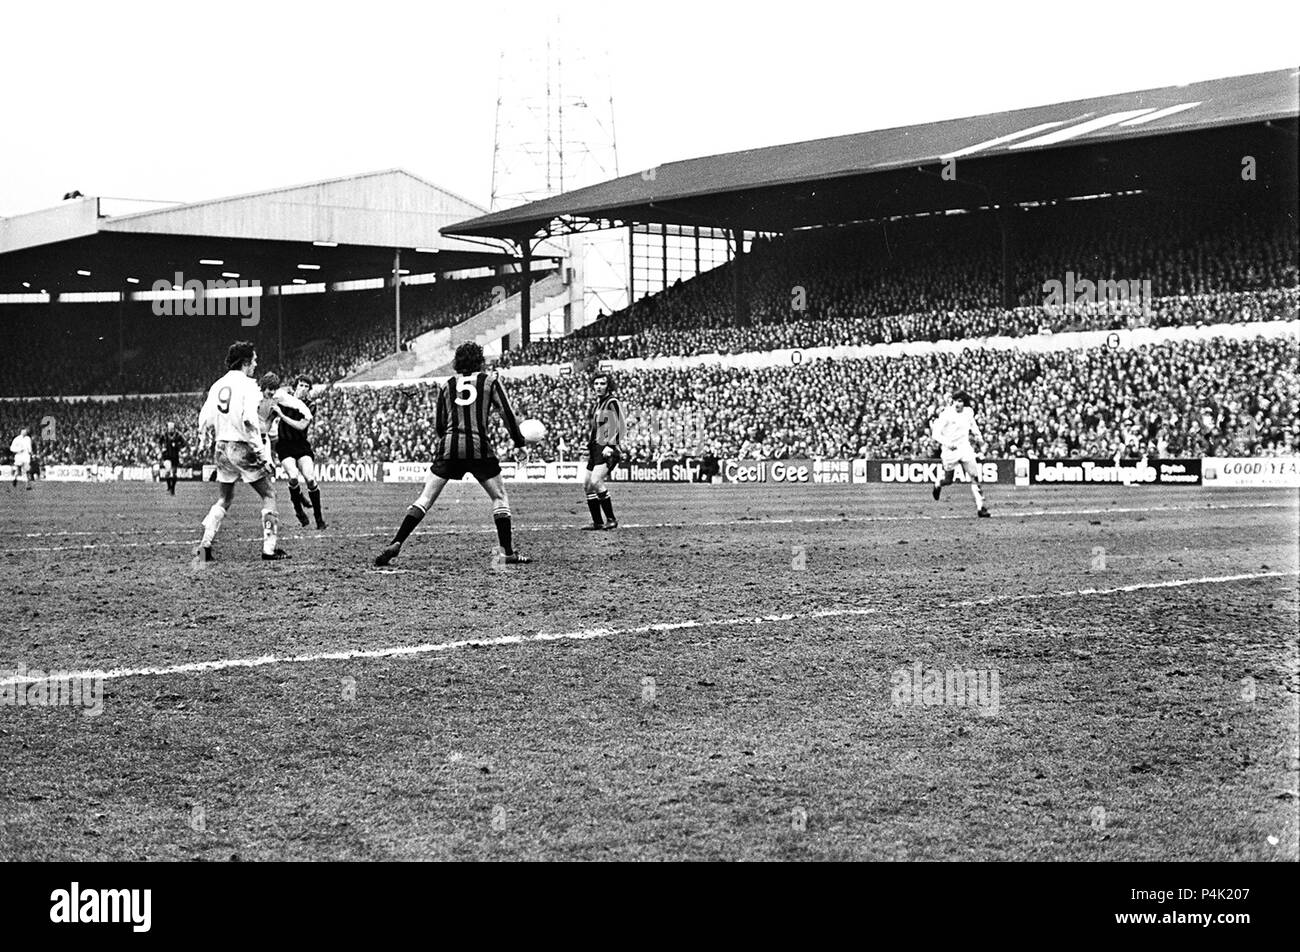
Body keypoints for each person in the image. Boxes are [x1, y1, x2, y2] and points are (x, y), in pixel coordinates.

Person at [374, 341, 531, 566]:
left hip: (449, 446)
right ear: (480, 360)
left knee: (425, 499)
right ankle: (506, 552)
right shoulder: (490, 381)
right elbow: (507, 413)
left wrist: (450, 442)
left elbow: (439, 425)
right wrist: (519, 443)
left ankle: (398, 541)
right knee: (499, 497)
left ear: (457, 362)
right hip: (478, 447)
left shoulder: (447, 385)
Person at [196, 341, 288, 561]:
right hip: (241, 446)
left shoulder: (217, 385)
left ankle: (204, 545)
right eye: (254, 360)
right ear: (246, 362)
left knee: (224, 498)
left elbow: (204, 418)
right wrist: (263, 455)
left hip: (221, 447)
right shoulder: (249, 386)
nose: (256, 364)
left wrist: (202, 439)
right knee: (269, 495)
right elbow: (249, 421)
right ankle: (269, 549)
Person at [259, 373, 324, 529]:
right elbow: (267, 423)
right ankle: (299, 511)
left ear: (309, 390)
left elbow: (301, 426)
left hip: (301, 445)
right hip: (285, 445)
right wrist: (260, 431)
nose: (303, 389)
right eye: (301, 385)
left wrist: (282, 415)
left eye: (306, 387)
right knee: (293, 477)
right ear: (295, 387)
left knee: (310, 479)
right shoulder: (282, 400)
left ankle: (319, 518)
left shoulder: (310, 405)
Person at [930, 390, 990, 517]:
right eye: (955, 401)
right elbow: (935, 433)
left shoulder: (968, 412)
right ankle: (938, 484)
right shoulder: (946, 414)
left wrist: (979, 437)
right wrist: (947, 443)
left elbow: (973, 425)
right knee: (948, 480)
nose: (957, 404)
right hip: (949, 451)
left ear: (964, 403)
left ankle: (981, 507)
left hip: (965, 448)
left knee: (975, 477)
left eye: (960, 401)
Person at [581, 372, 626, 530]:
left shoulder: (612, 402)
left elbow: (620, 425)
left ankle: (611, 519)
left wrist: (611, 446)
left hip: (606, 447)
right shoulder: (598, 404)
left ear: (608, 386)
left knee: (596, 481)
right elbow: (595, 428)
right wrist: (588, 445)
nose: (599, 386)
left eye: (602, 383)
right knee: (587, 485)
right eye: (596, 383)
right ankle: (598, 522)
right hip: (595, 447)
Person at [158, 421, 186, 495]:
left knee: (174, 473)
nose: (170, 429)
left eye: (172, 428)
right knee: (168, 470)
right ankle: (169, 486)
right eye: (169, 428)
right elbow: (159, 443)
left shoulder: (178, 435)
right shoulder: (164, 435)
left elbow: (184, 443)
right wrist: (161, 449)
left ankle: (172, 489)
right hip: (167, 456)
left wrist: (180, 448)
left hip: (175, 456)